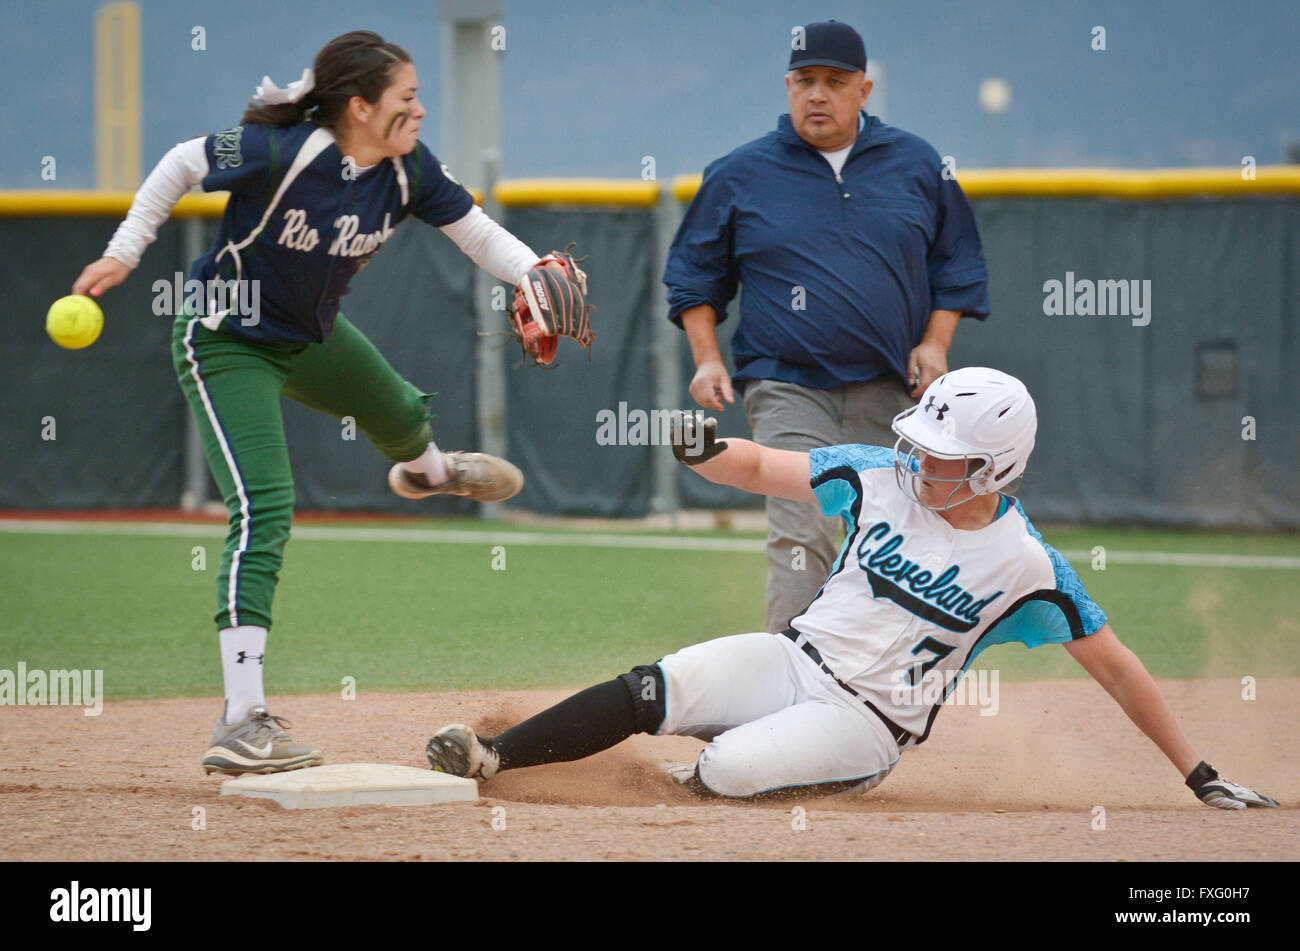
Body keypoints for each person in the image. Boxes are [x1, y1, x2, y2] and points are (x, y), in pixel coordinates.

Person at [426, 368, 1278, 811]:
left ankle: (721, 779)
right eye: (920, 441)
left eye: (942, 456)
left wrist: (1199, 773)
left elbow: (1120, 668)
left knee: (725, 770)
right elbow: (763, 463)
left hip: (867, 724)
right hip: (794, 660)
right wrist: (703, 451)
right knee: (660, 684)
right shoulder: (880, 475)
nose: (917, 459)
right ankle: (494, 755)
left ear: (996, 468)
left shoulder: (1028, 566)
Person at [72, 30, 575, 775]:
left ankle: (428, 471)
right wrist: (125, 249)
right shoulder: (282, 151)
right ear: (359, 105)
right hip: (225, 338)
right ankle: (242, 719)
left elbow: (472, 230)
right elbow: (182, 161)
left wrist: (532, 269)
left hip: (308, 334)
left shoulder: (405, 171)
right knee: (264, 505)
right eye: (407, 97)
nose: (421, 109)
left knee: (400, 411)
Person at [664, 20, 990, 635]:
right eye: (804, 80)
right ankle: (789, 681)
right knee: (802, 526)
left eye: (834, 82)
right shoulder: (740, 173)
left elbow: (959, 264)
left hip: (891, 389)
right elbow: (694, 277)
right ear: (788, 86)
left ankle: (884, 687)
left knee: (896, 534)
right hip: (787, 384)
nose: (818, 94)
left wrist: (936, 343)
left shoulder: (918, 164)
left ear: (863, 90)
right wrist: (707, 359)